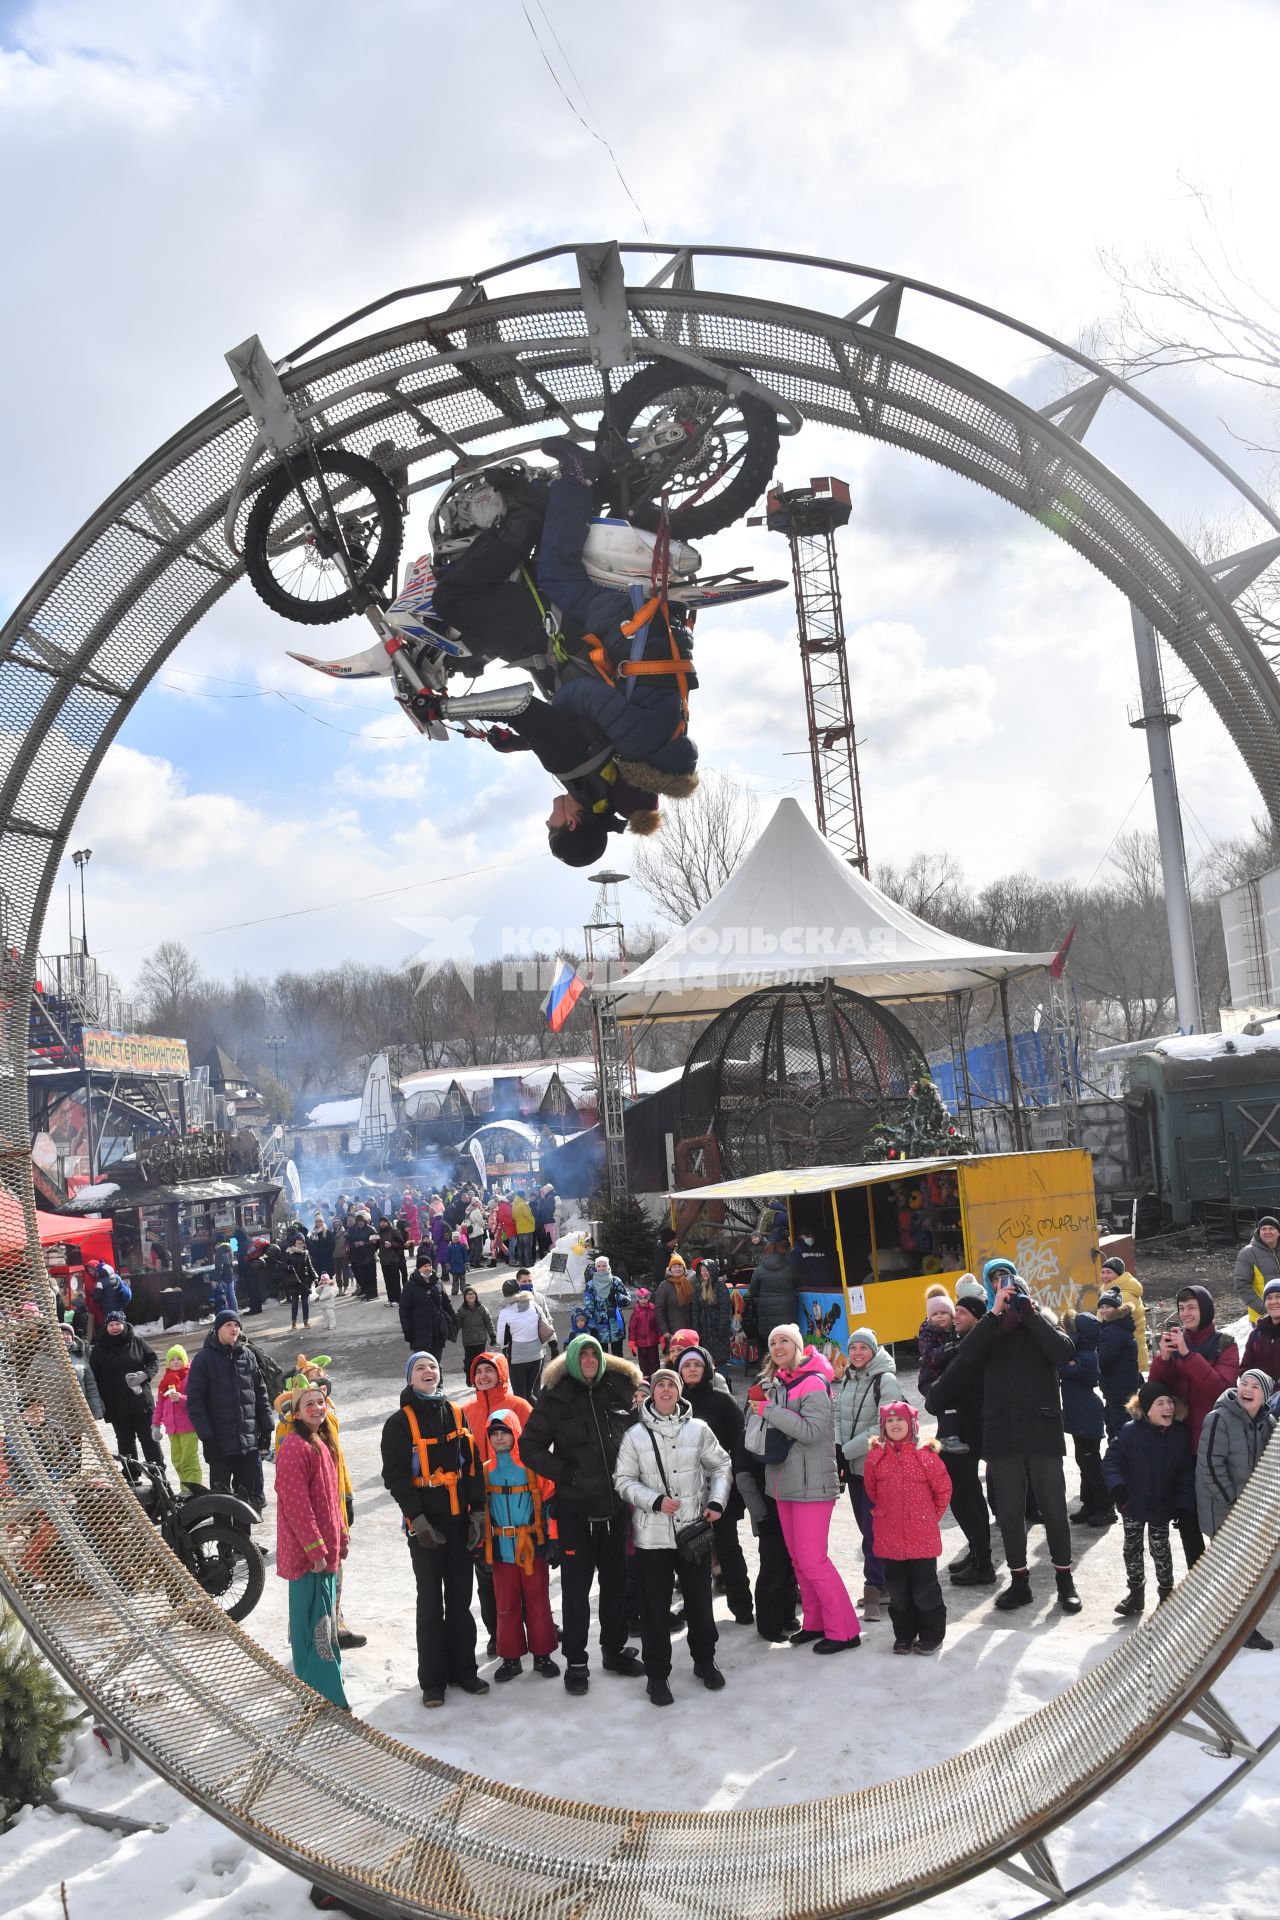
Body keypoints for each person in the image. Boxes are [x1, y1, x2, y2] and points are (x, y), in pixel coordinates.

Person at [939, 1273, 1080, 1614]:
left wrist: (1030, 1315)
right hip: (1002, 1434)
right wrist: (993, 1315)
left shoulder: (1042, 1324)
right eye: (1004, 1295)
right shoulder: (989, 1333)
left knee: (1055, 1510)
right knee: (1009, 1514)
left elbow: (1063, 1352)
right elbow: (966, 1354)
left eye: (1015, 1295)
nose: (1010, 1301)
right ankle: (1020, 1582)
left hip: (1042, 1432)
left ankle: (1065, 1581)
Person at [520, 1332, 645, 1696]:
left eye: (594, 1354)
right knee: (576, 1590)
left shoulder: (618, 1388)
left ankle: (615, 1649)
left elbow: (639, 1432)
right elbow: (529, 1447)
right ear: (573, 1359)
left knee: (616, 1584)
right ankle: (576, 1660)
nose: (589, 1359)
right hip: (576, 1511)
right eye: (582, 1354)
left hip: (615, 1507)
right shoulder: (556, 1398)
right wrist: (566, 1474)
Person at [613, 1366, 731, 1704]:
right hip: (652, 1538)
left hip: (692, 1532)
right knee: (654, 1607)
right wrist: (653, 1501)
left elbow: (721, 1466)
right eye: (660, 1385)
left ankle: (705, 1661)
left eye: (672, 1385)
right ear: (652, 1393)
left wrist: (716, 1500)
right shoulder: (635, 1435)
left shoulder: (699, 1430)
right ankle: (657, 1674)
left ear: (679, 1392)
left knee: (699, 1601)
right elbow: (623, 1480)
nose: (666, 1390)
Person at [381, 1351, 490, 1708]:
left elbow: (472, 1467)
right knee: (430, 1601)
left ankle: (464, 1669)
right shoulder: (399, 1423)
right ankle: (433, 1680)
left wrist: (477, 1514)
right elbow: (396, 1477)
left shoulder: (456, 1413)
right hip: (425, 1525)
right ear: (410, 1378)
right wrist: (418, 1520)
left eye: (433, 1367)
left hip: (460, 1522)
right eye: (420, 1368)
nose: (429, 1371)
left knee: (460, 1598)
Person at [749, 1324, 860, 1653]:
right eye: (773, 1341)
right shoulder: (779, 1384)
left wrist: (769, 1411)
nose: (778, 1345)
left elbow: (813, 1431)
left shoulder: (813, 1381)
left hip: (813, 1483)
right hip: (784, 1484)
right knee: (799, 1561)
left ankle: (844, 1630)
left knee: (813, 1561)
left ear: (798, 1346)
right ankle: (815, 1622)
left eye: (784, 1340)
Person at [1147, 1283, 1240, 1570]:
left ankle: (1223, 1578)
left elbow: (1220, 1389)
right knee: (1186, 1516)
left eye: (1192, 1307)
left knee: (1218, 1517)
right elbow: (1154, 1391)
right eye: (1182, 1308)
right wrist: (1163, 1359)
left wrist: (1188, 1355)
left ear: (1206, 1309)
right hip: (1178, 1445)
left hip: (1212, 1446)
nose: (1185, 1313)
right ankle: (1196, 1576)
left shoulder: (1225, 1344)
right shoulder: (1176, 1344)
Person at [275, 1384, 350, 1708]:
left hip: (326, 1551)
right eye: (309, 1404)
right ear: (296, 1412)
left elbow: (331, 1500)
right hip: (309, 1557)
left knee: (325, 1621)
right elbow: (296, 1505)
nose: (318, 1408)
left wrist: (341, 1535)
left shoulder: (322, 1442)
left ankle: (324, 1683)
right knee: (314, 1623)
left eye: (321, 1402)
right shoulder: (294, 1447)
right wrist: (315, 1549)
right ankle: (320, 1691)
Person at [862, 1400, 952, 1654]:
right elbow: (872, 1490)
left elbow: (943, 1490)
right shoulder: (876, 1458)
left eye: (900, 1419)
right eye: (889, 1421)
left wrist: (928, 1517)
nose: (895, 1424)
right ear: (883, 1427)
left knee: (925, 1590)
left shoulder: (926, 1456)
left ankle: (932, 1635)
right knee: (898, 1593)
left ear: (912, 1424)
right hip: (890, 1538)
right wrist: (887, 1514)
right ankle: (903, 1634)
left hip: (921, 1537)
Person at [1196, 1367, 1277, 1649]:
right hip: (1225, 1510)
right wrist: (1232, 1503)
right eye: (1245, 1383)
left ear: (1264, 1396)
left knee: (1246, 1575)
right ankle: (1230, 1631)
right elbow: (1209, 1463)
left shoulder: (1267, 1425)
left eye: (1255, 1386)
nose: (1247, 1389)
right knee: (1229, 1573)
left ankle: (1241, 1628)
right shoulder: (1220, 1419)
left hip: (1251, 1513)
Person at [481, 1408, 561, 1683]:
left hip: (532, 1548)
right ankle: (511, 1658)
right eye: (494, 1434)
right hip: (501, 1551)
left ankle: (543, 1655)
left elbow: (551, 1504)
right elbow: (479, 1512)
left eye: (505, 1433)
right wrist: (482, 1547)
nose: (500, 1439)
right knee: (506, 1606)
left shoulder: (532, 1468)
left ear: (516, 1433)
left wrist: (552, 1539)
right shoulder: (485, 1472)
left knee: (538, 1603)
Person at [675, 1345, 753, 1624]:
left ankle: (742, 1605)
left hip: (721, 1489)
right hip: (685, 1490)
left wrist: (736, 1482)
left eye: (697, 1364)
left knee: (728, 1547)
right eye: (686, 1366)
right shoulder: (673, 1401)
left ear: (706, 1368)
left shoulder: (722, 1400)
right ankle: (695, 1607)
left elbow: (740, 1442)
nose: (692, 1369)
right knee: (692, 1553)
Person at [1102, 1381, 1195, 1617]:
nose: (1167, 1407)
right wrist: (1118, 1488)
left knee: (1160, 1548)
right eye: (1160, 1403)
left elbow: (1186, 1472)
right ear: (1147, 1409)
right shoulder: (1129, 1432)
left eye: (1169, 1402)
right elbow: (1111, 1461)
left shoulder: (1179, 1435)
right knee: (1131, 1548)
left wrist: (1183, 1505)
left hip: (1161, 1504)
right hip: (1132, 1502)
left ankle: (1166, 1595)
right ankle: (1135, 1594)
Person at [923, 1293, 996, 1586]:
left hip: (965, 1432)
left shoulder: (970, 1350)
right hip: (962, 1427)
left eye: (963, 1313)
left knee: (964, 1498)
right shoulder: (963, 1344)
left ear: (977, 1318)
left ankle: (983, 1563)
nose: (956, 1318)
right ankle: (979, 1553)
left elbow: (936, 1395)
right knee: (970, 1496)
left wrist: (935, 1389)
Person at [833, 1327, 899, 1623]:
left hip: (877, 1468)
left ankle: (875, 1587)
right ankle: (884, 1583)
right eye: (854, 1348)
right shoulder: (848, 1378)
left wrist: (845, 1450)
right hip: (854, 1467)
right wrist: (837, 1447)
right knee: (865, 1528)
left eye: (863, 1348)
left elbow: (884, 1427)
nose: (858, 1353)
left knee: (874, 1530)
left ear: (873, 1350)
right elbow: (837, 1416)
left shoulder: (885, 1380)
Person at [185, 1309, 273, 1520]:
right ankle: (225, 1546)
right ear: (217, 1329)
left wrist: (266, 1428)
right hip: (220, 1443)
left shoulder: (248, 1355)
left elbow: (260, 1394)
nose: (234, 1329)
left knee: (247, 1496)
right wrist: (207, 1438)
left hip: (248, 1442)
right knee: (222, 1497)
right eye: (228, 1325)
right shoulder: (203, 1360)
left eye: (237, 1325)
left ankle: (244, 1542)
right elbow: (195, 1403)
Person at [88, 1310, 164, 1467]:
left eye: (118, 1324)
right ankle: (132, 1477)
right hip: (116, 1406)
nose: (115, 1327)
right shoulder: (99, 1349)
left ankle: (158, 1475)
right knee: (125, 1443)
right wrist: (98, 1400)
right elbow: (92, 1377)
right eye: (111, 1324)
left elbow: (153, 1361)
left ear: (124, 1324)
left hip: (141, 1402)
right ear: (106, 1327)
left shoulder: (137, 1341)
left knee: (149, 1441)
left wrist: (145, 1374)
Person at [1060, 1308, 1113, 1528]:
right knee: (1084, 1462)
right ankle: (1089, 1505)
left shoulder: (1086, 1357)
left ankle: (1106, 1508)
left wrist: (1065, 1359)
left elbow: (1062, 1369)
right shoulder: (1082, 1354)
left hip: (1087, 1417)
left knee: (1090, 1463)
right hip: (1081, 1416)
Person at [153, 1343, 202, 1487]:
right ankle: (185, 1487)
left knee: (189, 1459)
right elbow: (160, 1404)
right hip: (172, 1429)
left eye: (179, 1358)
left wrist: (180, 1398)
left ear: (185, 1360)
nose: (175, 1361)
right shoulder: (166, 1380)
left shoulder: (190, 1378)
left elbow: (196, 1399)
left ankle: (193, 1488)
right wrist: (155, 1424)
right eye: (172, 1359)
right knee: (177, 1460)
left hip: (188, 1427)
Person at [1096, 1285, 1142, 1439]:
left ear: (1117, 1308)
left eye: (1108, 1306)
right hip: (1124, 1386)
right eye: (1101, 1307)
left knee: (1118, 1430)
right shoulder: (1122, 1325)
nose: (1104, 1310)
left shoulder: (1112, 1330)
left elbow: (1103, 1361)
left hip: (1117, 1388)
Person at [398, 1256, 458, 1365]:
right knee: (422, 1364)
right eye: (425, 1266)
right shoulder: (410, 1286)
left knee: (436, 1363)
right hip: (419, 1333)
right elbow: (404, 1310)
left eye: (430, 1265)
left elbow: (446, 1304)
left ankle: (438, 1381)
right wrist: (407, 1330)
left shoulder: (437, 1282)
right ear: (418, 1268)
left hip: (437, 1332)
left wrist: (454, 1320)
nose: (428, 1268)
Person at [745, 1237, 800, 1354]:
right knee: (788, 1348)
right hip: (788, 1317)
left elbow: (752, 1292)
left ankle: (770, 1371)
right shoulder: (790, 1269)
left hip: (766, 1318)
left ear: (765, 1252)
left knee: (769, 1349)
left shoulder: (759, 1270)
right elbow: (800, 1283)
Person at [496, 1278, 548, 1401]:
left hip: (517, 1359)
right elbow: (545, 1324)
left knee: (519, 1397)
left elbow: (501, 1340)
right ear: (519, 1290)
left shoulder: (504, 1312)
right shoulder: (533, 1304)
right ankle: (540, 1418)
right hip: (536, 1355)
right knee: (530, 1394)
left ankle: (525, 1420)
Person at [1098, 1253, 1150, 1369]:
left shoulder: (1121, 1296)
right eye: (1103, 1272)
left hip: (1126, 1357)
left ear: (1119, 1275)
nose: (1104, 1276)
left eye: (1109, 1272)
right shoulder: (1121, 1290)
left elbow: (1102, 1321)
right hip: (1131, 1352)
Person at [1232, 1215, 1280, 1321]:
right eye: (1263, 1229)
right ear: (1259, 1232)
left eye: (1271, 1228)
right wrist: (1266, 1310)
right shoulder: (1248, 1253)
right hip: (1263, 1318)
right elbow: (1241, 1285)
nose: (1267, 1232)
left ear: (1278, 1232)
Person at [915, 1287, 958, 1401]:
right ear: (930, 1318)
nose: (939, 1316)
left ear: (952, 1315)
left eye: (944, 1312)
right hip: (932, 1380)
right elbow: (929, 1356)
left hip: (950, 1377)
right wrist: (950, 1348)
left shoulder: (956, 1330)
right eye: (935, 1314)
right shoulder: (927, 1333)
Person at [582, 1256, 630, 1357]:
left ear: (608, 1267)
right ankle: (605, 1374)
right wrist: (591, 1326)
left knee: (618, 1357)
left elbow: (628, 1300)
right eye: (599, 1266)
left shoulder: (615, 1281)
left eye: (604, 1266)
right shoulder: (590, 1285)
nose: (601, 1268)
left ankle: (618, 1373)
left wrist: (617, 1297)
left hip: (616, 1325)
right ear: (596, 1267)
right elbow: (588, 1307)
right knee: (602, 1357)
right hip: (599, 1327)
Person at [691, 1259, 732, 1373]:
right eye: (702, 1270)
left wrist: (722, 1329)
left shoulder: (720, 1286)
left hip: (717, 1326)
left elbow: (725, 1309)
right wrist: (696, 1330)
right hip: (704, 1328)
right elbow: (695, 1311)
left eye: (707, 1270)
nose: (704, 1273)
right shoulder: (698, 1287)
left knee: (720, 1360)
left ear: (712, 1271)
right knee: (705, 1358)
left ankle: (724, 1383)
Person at [655, 1255, 696, 1355]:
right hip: (673, 1331)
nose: (677, 1269)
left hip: (689, 1328)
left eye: (680, 1266)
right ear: (670, 1269)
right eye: (674, 1266)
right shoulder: (664, 1286)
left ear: (684, 1268)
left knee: (689, 1357)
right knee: (675, 1358)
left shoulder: (689, 1283)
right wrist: (665, 1331)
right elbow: (659, 1311)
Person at [1241, 1275, 1280, 1378]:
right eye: (1269, 1298)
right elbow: (1245, 1369)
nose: (1273, 1302)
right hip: (1261, 1393)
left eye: (1278, 1296)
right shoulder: (1256, 1334)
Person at [457, 1285, 498, 1381]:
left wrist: (492, 1336)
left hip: (481, 1340)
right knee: (468, 1362)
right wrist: (451, 1334)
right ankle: (469, 1375)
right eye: (468, 1294)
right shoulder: (461, 1310)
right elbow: (457, 1325)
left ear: (476, 1296)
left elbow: (488, 1322)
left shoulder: (482, 1308)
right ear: (465, 1297)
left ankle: (480, 1379)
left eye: (472, 1294)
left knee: (481, 1362)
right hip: (468, 1341)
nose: (471, 1296)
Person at [282, 1239, 317, 1332]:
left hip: (305, 1280)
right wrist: (288, 1267)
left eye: (301, 1242)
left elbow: (310, 1266)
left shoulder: (306, 1252)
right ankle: (294, 1323)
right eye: (298, 1242)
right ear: (294, 1243)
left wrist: (315, 1277)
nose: (299, 1244)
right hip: (294, 1281)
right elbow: (283, 1264)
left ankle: (306, 1322)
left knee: (305, 1302)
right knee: (294, 1302)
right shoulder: (289, 1252)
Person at [627, 1287, 661, 1378]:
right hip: (641, 1343)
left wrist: (661, 1338)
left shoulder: (653, 1309)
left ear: (649, 1298)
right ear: (638, 1299)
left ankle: (656, 1377)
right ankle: (645, 1378)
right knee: (643, 1363)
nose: (643, 1301)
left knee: (654, 1361)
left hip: (653, 1342)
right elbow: (632, 1328)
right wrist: (632, 1342)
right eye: (641, 1298)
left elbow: (658, 1325)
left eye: (645, 1298)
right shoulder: (636, 1312)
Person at [347, 1210, 380, 1302]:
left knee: (371, 1276)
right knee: (363, 1277)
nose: (360, 1222)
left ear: (365, 1221)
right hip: (359, 1257)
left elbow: (375, 1243)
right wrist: (355, 1244)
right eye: (358, 1221)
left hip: (369, 1256)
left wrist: (364, 1244)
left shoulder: (371, 1229)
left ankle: (374, 1293)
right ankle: (367, 1293)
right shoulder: (356, 1230)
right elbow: (351, 1242)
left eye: (361, 1220)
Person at [377, 1216, 408, 1307]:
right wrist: (374, 1243)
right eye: (381, 1222)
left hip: (394, 1259)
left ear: (388, 1222)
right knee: (387, 1280)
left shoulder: (394, 1231)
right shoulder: (379, 1233)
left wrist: (392, 1245)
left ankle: (397, 1299)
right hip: (384, 1260)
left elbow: (401, 1244)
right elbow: (377, 1247)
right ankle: (390, 1299)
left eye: (384, 1222)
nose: (382, 1224)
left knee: (395, 1280)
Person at [510, 1193, 537, 1268]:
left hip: (519, 1229)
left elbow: (514, 1217)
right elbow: (528, 1215)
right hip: (527, 1228)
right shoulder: (523, 1204)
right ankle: (529, 1263)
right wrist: (534, 1221)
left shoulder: (514, 1205)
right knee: (527, 1247)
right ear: (523, 1196)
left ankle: (522, 1263)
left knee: (520, 1247)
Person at [443, 1230, 470, 1300]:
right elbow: (448, 1256)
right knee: (455, 1279)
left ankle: (463, 1290)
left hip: (462, 1266)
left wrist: (467, 1263)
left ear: (459, 1238)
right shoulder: (449, 1247)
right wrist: (447, 1264)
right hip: (453, 1267)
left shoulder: (462, 1246)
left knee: (462, 1279)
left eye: (457, 1237)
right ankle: (455, 1290)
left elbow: (465, 1255)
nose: (456, 1238)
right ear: (452, 1238)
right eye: (454, 1237)